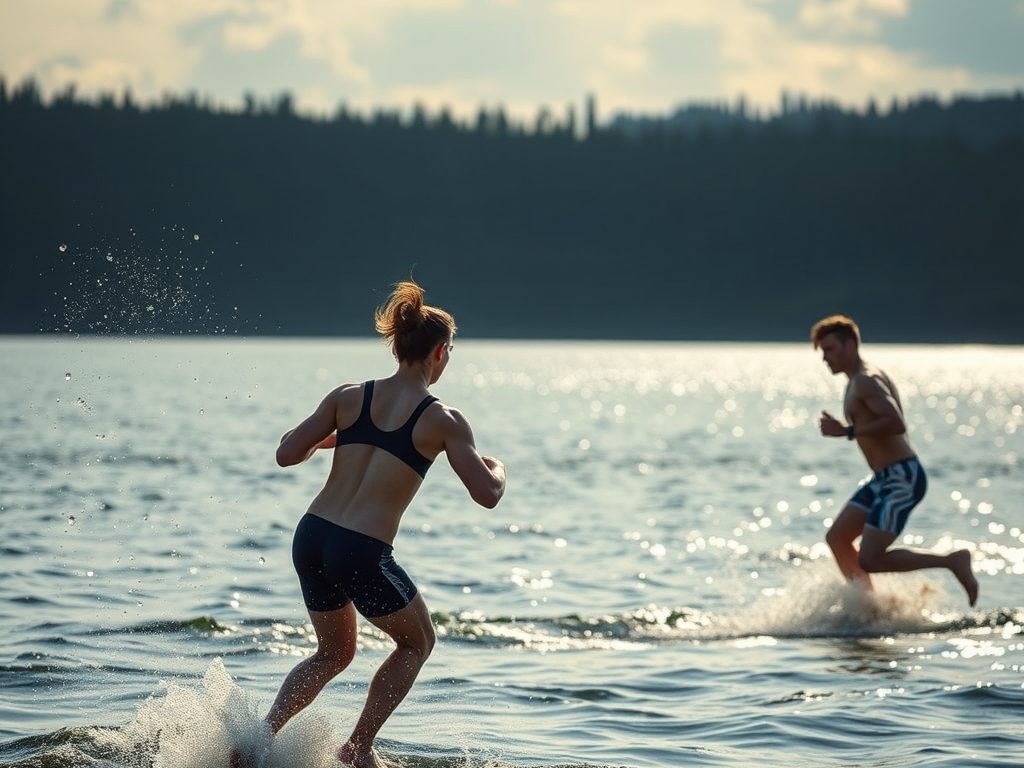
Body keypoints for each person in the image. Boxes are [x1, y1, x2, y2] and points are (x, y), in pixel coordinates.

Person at [233, 281, 507, 768]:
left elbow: (286, 453)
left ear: (398, 346)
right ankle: (358, 749)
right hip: (359, 549)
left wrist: (343, 437)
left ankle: (257, 742)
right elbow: (486, 495)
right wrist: (499, 468)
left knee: (333, 654)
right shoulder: (444, 420)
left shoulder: (348, 397)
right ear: (440, 353)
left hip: (312, 536)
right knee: (418, 641)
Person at [811, 314, 977, 606]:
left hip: (903, 477)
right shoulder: (855, 382)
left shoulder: (867, 380)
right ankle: (867, 606)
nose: (825, 358)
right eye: (822, 351)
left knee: (871, 558)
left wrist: (847, 431)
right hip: (883, 478)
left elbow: (896, 423)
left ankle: (952, 560)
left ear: (850, 345)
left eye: (829, 349)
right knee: (837, 538)